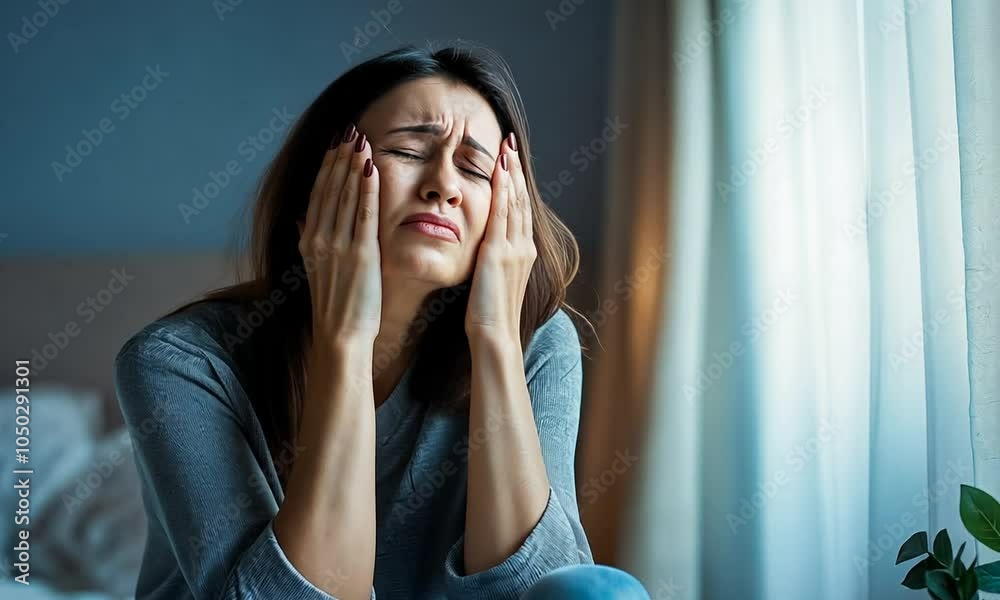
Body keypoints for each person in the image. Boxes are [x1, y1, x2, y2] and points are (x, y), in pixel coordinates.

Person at [114, 44, 650, 600]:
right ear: (315, 191)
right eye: (408, 150)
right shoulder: (178, 362)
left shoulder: (539, 344)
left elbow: (544, 591)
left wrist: (495, 339)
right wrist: (345, 338)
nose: (443, 184)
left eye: (474, 168)